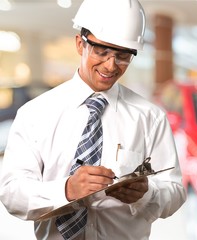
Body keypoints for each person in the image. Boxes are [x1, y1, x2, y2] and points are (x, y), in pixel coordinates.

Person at [0, 0, 186, 239]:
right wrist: (67, 190)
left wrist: (147, 193)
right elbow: (11, 193)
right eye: (102, 51)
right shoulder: (35, 114)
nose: (111, 66)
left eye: (123, 56)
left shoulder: (150, 117)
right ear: (80, 44)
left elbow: (175, 191)